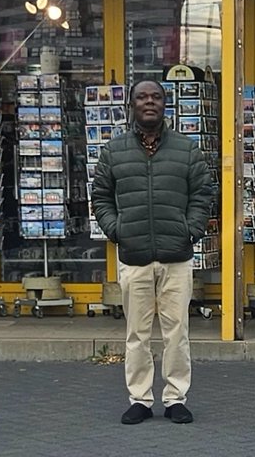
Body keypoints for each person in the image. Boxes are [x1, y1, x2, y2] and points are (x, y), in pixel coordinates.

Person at [91, 79, 214, 425]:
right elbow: (100, 196)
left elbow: (203, 195)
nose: (149, 102)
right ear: (131, 104)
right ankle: (140, 399)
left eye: (156, 97)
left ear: (165, 104)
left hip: (177, 256)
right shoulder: (114, 151)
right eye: (142, 97)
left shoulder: (187, 150)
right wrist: (117, 231)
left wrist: (190, 230)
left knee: (178, 332)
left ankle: (176, 397)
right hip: (134, 257)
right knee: (137, 334)